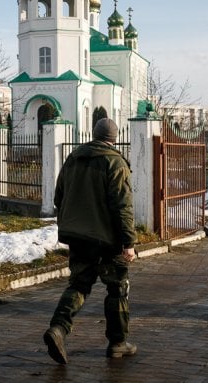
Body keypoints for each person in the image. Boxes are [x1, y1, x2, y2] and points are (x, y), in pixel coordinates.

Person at [43, 117, 137, 364]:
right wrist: (129, 242)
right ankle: (118, 343)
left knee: (79, 285)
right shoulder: (115, 162)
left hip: (78, 236)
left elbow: (58, 196)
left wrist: (72, 223)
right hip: (108, 240)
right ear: (114, 138)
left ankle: (58, 329)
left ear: (94, 135)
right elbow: (122, 206)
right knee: (117, 288)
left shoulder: (74, 158)